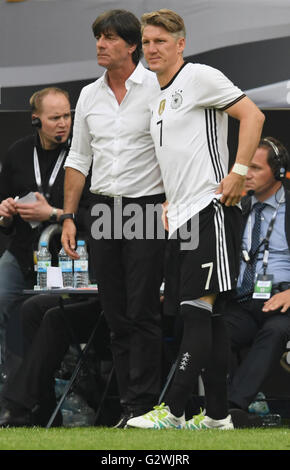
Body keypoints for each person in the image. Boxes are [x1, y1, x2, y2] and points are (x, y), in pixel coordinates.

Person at [127, 9, 265, 430]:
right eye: (147, 42)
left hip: (211, 210)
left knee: (195, 311)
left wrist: (239, 172)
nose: (152, 49)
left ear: (180, 44)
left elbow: (253, 116)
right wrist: (170, 199)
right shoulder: (158, 94)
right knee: (207, 316)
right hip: (182, 216)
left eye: (160, 42)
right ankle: (219, 417)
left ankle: (173, 411)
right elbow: (178, 157)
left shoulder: (201, 76)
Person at [61, 10, 166, 428]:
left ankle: (145, 406)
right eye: (98, 38)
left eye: (108, 38)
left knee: (143, 311)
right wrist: (69, 216)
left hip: (147, 207)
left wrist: (171, 205)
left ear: (131, 45)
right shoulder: (88, 95)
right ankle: (130, 407)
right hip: (102, 209)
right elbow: (79, 158)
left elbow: (173, 151)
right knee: (116, 312)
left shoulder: (158, 87)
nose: (101, 45)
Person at [219, 137, 290, 425]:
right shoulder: (234, 206)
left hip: (281, 300)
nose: (246, 174)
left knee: (274, 333)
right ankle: (216, 403)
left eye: (255, 168)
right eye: (244, 166)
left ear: (278, 172)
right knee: (212, 331)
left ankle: (231, 407)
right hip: (241, 299)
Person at [0, 87, 72, 367]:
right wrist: (5, 215)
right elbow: (4, 209)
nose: (63, 123)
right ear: (36, 120)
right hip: (21, 252)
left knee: (47, 315)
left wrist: (52, 213)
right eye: (55, 118)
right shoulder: (18, 153)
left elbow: (91, 211)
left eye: (67, 116)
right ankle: (6, 391)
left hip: (64, 257)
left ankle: (61, 386)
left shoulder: (80, 153)